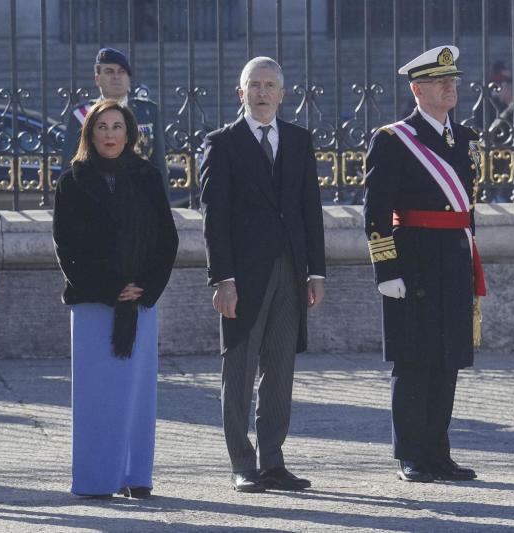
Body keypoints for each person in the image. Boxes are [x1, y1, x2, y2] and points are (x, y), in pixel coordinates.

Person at [200, 57, 326, 493]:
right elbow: (214, 218)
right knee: (238, 369)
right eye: (254, 85)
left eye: (270, 85)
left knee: (280, 368)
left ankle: (272, 460)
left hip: (290, 271)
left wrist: (317, 272)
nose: (262, 93)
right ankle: (242, 463)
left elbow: (310, 210)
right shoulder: (222, 143)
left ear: (282, 94)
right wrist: (223, 279)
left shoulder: (298, 140)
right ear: (241, 93)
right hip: (243, 277)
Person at [363, 45, 486, 483]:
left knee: (447, 359)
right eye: (439, 82)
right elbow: (376, 211)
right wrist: (386, 270)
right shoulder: (394, 139)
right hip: (413, 262)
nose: (450, 87)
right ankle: (411, 455)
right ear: (417, 90)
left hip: (453, 260)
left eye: (453, 80)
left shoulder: (467, 139)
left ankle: (438, 452)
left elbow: (467, 209)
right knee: (413, 360)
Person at [52, 99, 178, 499]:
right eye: (102, 127)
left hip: (139, 302)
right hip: (93, 304)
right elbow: (66, 248)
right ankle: (95, 480)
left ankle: (135, 476)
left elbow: (166, 238)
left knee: (137, 395)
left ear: (129, 133)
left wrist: (145, 286)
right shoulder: (72, 181)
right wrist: (108, 289)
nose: (110, 135)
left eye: (117, 127)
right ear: (89, 134)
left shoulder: (146, 176)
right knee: (97, 397)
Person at [57, 47, 168, 197]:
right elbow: (70, 166)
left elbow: (158, 165)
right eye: (109, 72)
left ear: (128, 78)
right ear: (97, 79)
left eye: (121, 72)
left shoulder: (148, 112)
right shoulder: (82, 115)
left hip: (138, 199)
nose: (116, 77)